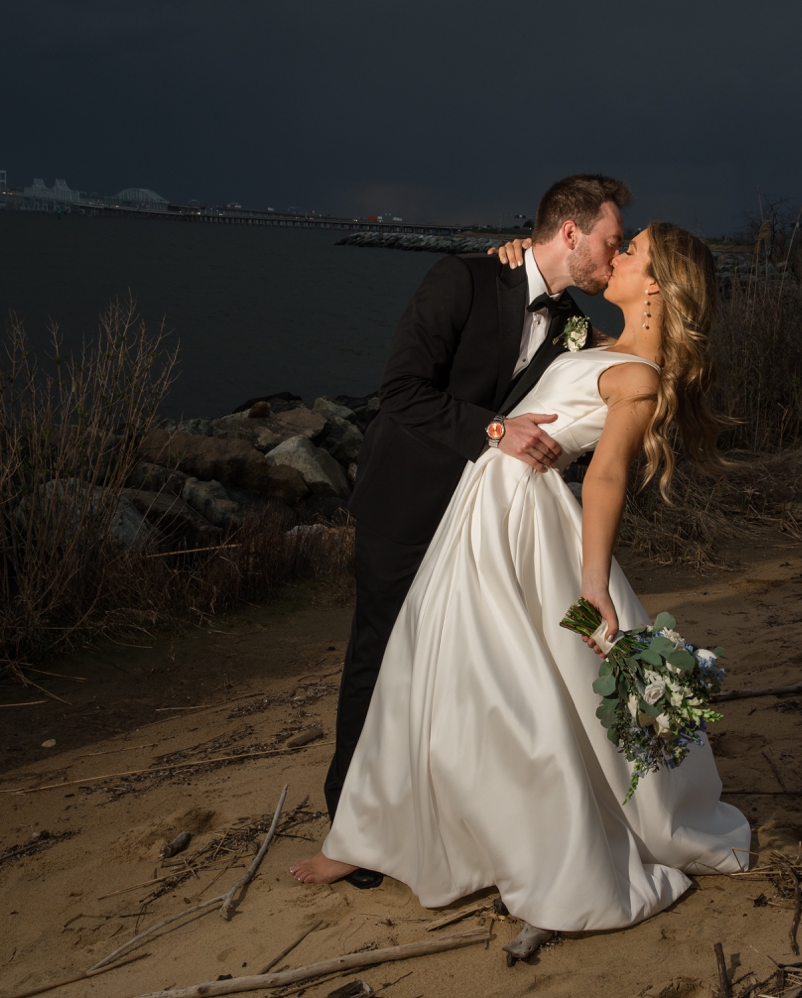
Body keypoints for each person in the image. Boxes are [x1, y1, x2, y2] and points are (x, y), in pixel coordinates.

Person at [292, 220, 751, 959]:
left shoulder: (638, 376)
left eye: (629, 252)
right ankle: (377, 830)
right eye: (618, 241)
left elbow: (604, 477)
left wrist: (594, 583)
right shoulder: (587, 333)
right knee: (430, 666)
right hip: (482, 507)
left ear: (657, 287)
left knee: (498, 686)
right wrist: (516, 254)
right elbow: (539, 291)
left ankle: (513, 840)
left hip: (520, 523)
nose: (618, 257)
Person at [319, 175, 631, 889]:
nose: (613, 258)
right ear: (572, 231)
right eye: (611, 242)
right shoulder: (460, 279)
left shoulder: (575, 321)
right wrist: (496, 430)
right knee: (378, 658)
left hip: (485, 527)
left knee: (453, 674)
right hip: (407, 504)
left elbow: (610, 362)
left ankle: (435, 820)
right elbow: (399, 389)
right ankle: (351, 827)